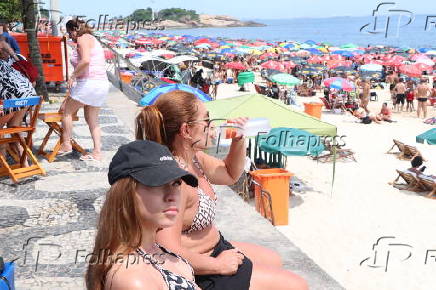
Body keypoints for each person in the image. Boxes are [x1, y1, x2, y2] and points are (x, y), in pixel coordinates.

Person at [135, 91, 308, 290]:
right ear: (186, 130)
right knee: (297, 285)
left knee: (274, 260)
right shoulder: (176, 182)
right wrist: (218, 265)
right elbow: (167, 249)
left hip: (216, 247)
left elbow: (229, 174)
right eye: (207, 120)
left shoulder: (194, 158)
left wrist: (238, 139)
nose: (213, 126)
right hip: (202, 268)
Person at [86, 140, 201, 290]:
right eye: (158, 183)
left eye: (176, 183)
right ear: (126, 194)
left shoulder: (151, 249)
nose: (172, 196)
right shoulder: (133, 280)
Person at [60, 18, 110, 161]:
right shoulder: (92, 38)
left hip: (89, 83)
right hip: (101, 83)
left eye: (70, 33)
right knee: (92, 119)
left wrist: (72, 77)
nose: (70, 36)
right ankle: (97, 152)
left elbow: (86, 61)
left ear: (75, 29)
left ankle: (66, 143)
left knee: (66, 111)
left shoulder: (82, 38)